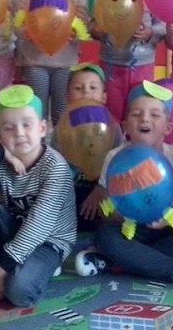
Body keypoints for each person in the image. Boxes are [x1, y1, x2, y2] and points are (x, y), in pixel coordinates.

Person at [75, 81, 173, 284]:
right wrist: (129, 216)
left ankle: (119, 263)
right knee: (104, 237)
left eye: (154, 115)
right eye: (136, 114)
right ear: (126, 126)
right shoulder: (115, 158)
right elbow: (106, 212)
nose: (144, 119)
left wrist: (168, 219)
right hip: (130, 229)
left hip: (167, 228)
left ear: (167, 128)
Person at [0, 84, 76, 307]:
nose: (19, 133)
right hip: (16, 230)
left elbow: (40, 225)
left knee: (19, 292)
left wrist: (4, 267)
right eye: (8, 128)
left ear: (42, 128)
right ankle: (2, 265)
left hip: (48, 240)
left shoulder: (56, 168)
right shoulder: (3, 160)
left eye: (27, 124)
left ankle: (12, 268)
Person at [15, 0, 88, 127]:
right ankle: (38, 144)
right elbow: (17, 23)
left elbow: (83, 22)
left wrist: (75, 32)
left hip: (65, 61)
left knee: (61, 109)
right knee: (36, 108)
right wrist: (25, 33)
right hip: (35, 60)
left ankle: (59, 143)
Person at [93, 0, 165, 121]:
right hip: (111, 62)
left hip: (143, 63)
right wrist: (98, 30)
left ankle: (136, 137)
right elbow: (94, 24)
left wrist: (150, 32)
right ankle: (115, 137)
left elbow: (162, 25)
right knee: (112, 109)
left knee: (140, 108)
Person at [51, 63, 124, 232]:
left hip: (104, 188)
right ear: (67, 97)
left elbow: (118, 166)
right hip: (72, 188)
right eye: (78, 88)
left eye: (93, 88)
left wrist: (100, 189)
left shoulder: (112, 126)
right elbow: (56, 167)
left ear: (104, 97)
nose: (86, 92)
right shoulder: (62, 127)